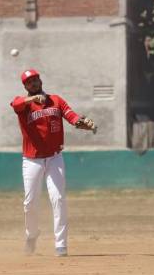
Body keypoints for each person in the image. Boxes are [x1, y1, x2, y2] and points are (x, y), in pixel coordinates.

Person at [10, 68, 97, 256]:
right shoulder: (24, 105)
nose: (34, 83)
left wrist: (83, 123)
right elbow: (15, 104)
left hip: (55, 157)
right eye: (30, 81)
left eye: (36, 79)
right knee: (30, 202)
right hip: (32, 160)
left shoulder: (56, 100)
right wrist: (32, 100)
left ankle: (61, 245)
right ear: (25, 86)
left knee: (58, 199)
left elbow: (71, 116)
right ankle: (31, 235)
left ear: (41, 80)